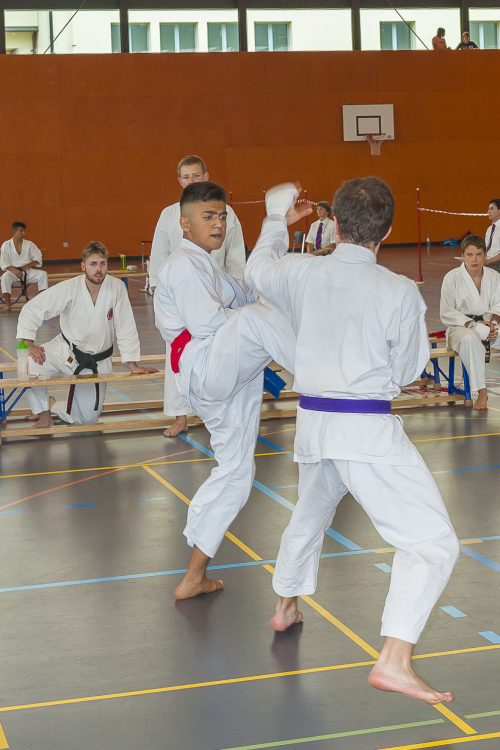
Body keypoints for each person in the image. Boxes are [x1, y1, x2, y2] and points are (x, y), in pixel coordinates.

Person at [244, 179, 459, 705]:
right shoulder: (398, 290)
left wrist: (275, 216)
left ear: (334, 223)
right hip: (365, 430)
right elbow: (407, 370)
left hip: (314, 424)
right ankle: (394, 660)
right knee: (433, 544)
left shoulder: (300, 270)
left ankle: (285, 606)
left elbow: (255, 271)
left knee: (310, 514)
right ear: (387, 230)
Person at [154, 181, 303, 600]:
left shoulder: (208, 265)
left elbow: (255, 286)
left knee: (236, 476)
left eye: (222, 216)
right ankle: (328, 379)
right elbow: (209, 325)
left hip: (225, 377)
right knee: (258, 317)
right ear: (185, 224)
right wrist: (254, 319)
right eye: (208, 216)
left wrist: (280, 229)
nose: (218, 223)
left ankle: (194, 576)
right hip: (205, 365)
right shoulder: (183, 265)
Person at [150, 155, 246, 439]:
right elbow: (159, 256)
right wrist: (160, 292)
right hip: (183, 296)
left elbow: (235, 256)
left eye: (196, 175)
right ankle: (180, 417)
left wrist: (240, 291)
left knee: (223, 357)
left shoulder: (226, 212)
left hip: (219, 290)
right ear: (179, 181)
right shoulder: (169, 215)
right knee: (179, 357)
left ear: (206, 176)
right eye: (186, 177)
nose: (191, 180)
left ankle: (220, 411)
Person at [17, 241, 158, 428]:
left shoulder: (116, 288)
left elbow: (126, 326)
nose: (98, 269)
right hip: (66, 351)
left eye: (102, 263)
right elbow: (32, 309)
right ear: (83, 266)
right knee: (28, 363)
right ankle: (44, 415)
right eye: (93, 264)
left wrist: (132, 364)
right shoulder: (69, 288)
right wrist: (29, 343)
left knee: (86, 419)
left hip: (97, 361)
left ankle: (52, 405)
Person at [440, 234, 500, 410]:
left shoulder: (493, 276)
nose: (474, 260)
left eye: (479, 254)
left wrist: (493, 324)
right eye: (470, 255)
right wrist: (473, 325)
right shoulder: (452, 277)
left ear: (485, 255)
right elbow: (447, 311)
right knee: (470, 339)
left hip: (489, 324)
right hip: (461, 327)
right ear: (463, 255)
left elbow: (498, 304)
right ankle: (482, 391)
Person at [1, 222, 48, 312]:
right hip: (12, 272)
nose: (23, 233)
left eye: (24, 231)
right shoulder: (6, 245)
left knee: (43, 274)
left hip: (27, 271)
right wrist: (14, 270)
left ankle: (43, 303)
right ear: (14, 232)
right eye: (21, 231)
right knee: (5, 277)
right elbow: (4, 262)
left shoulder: (29, 244)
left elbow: (38, 256)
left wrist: (30, 264)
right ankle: (8, 304)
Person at [484, 199, 500, 273]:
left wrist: (488, 262)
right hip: (488, 263)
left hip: (496, 264)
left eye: (492, 209)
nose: (488, 212)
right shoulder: (489, 229)